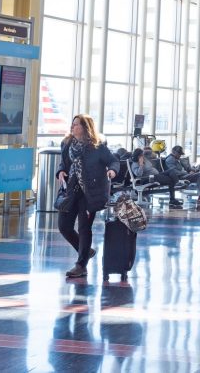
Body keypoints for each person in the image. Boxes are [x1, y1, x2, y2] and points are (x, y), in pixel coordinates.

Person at [56, 114, 118, 278]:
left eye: (76, 124)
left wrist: (112, 170)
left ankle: (81, 265)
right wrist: (61, 171)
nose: (72, 127)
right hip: (71, 191)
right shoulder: (67, 143)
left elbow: (113, 161)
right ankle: (86, 251)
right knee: (64, 226)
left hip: (90, 193)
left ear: (85, 127)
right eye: (72, 124)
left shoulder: (97, 147)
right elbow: (64, 163)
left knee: (84, 228)